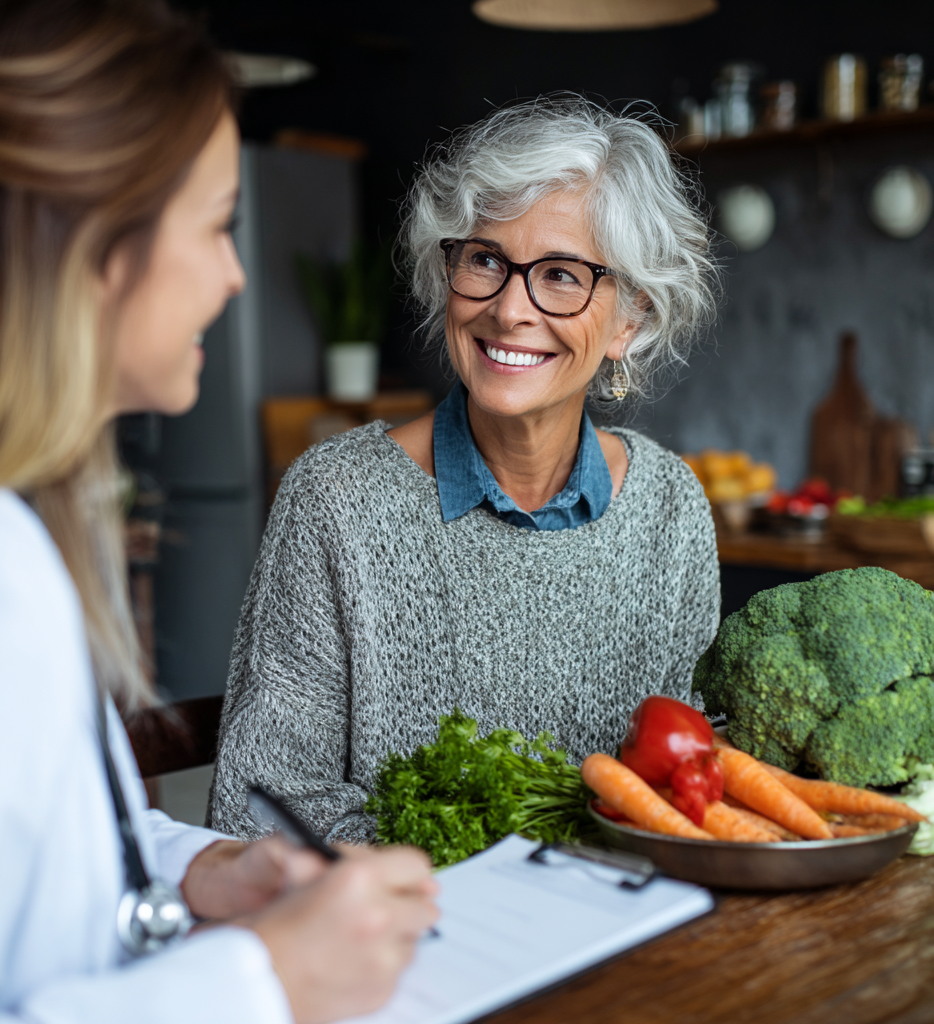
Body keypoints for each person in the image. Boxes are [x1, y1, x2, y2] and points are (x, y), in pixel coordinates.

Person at [0, 3, 439, 1023]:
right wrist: (265, 981)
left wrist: (203, 871)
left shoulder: (0, 528)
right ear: (96, 247)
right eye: (214, 225)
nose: (236, 274)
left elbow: (43, 846)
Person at [211, 96, 722, 844]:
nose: (511, 308)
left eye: (560, 275)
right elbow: (258, 812)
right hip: (418, 943)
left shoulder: (671, 508)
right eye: (485, 260)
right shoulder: (336, 503)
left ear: (629, 320)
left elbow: (692, 787)